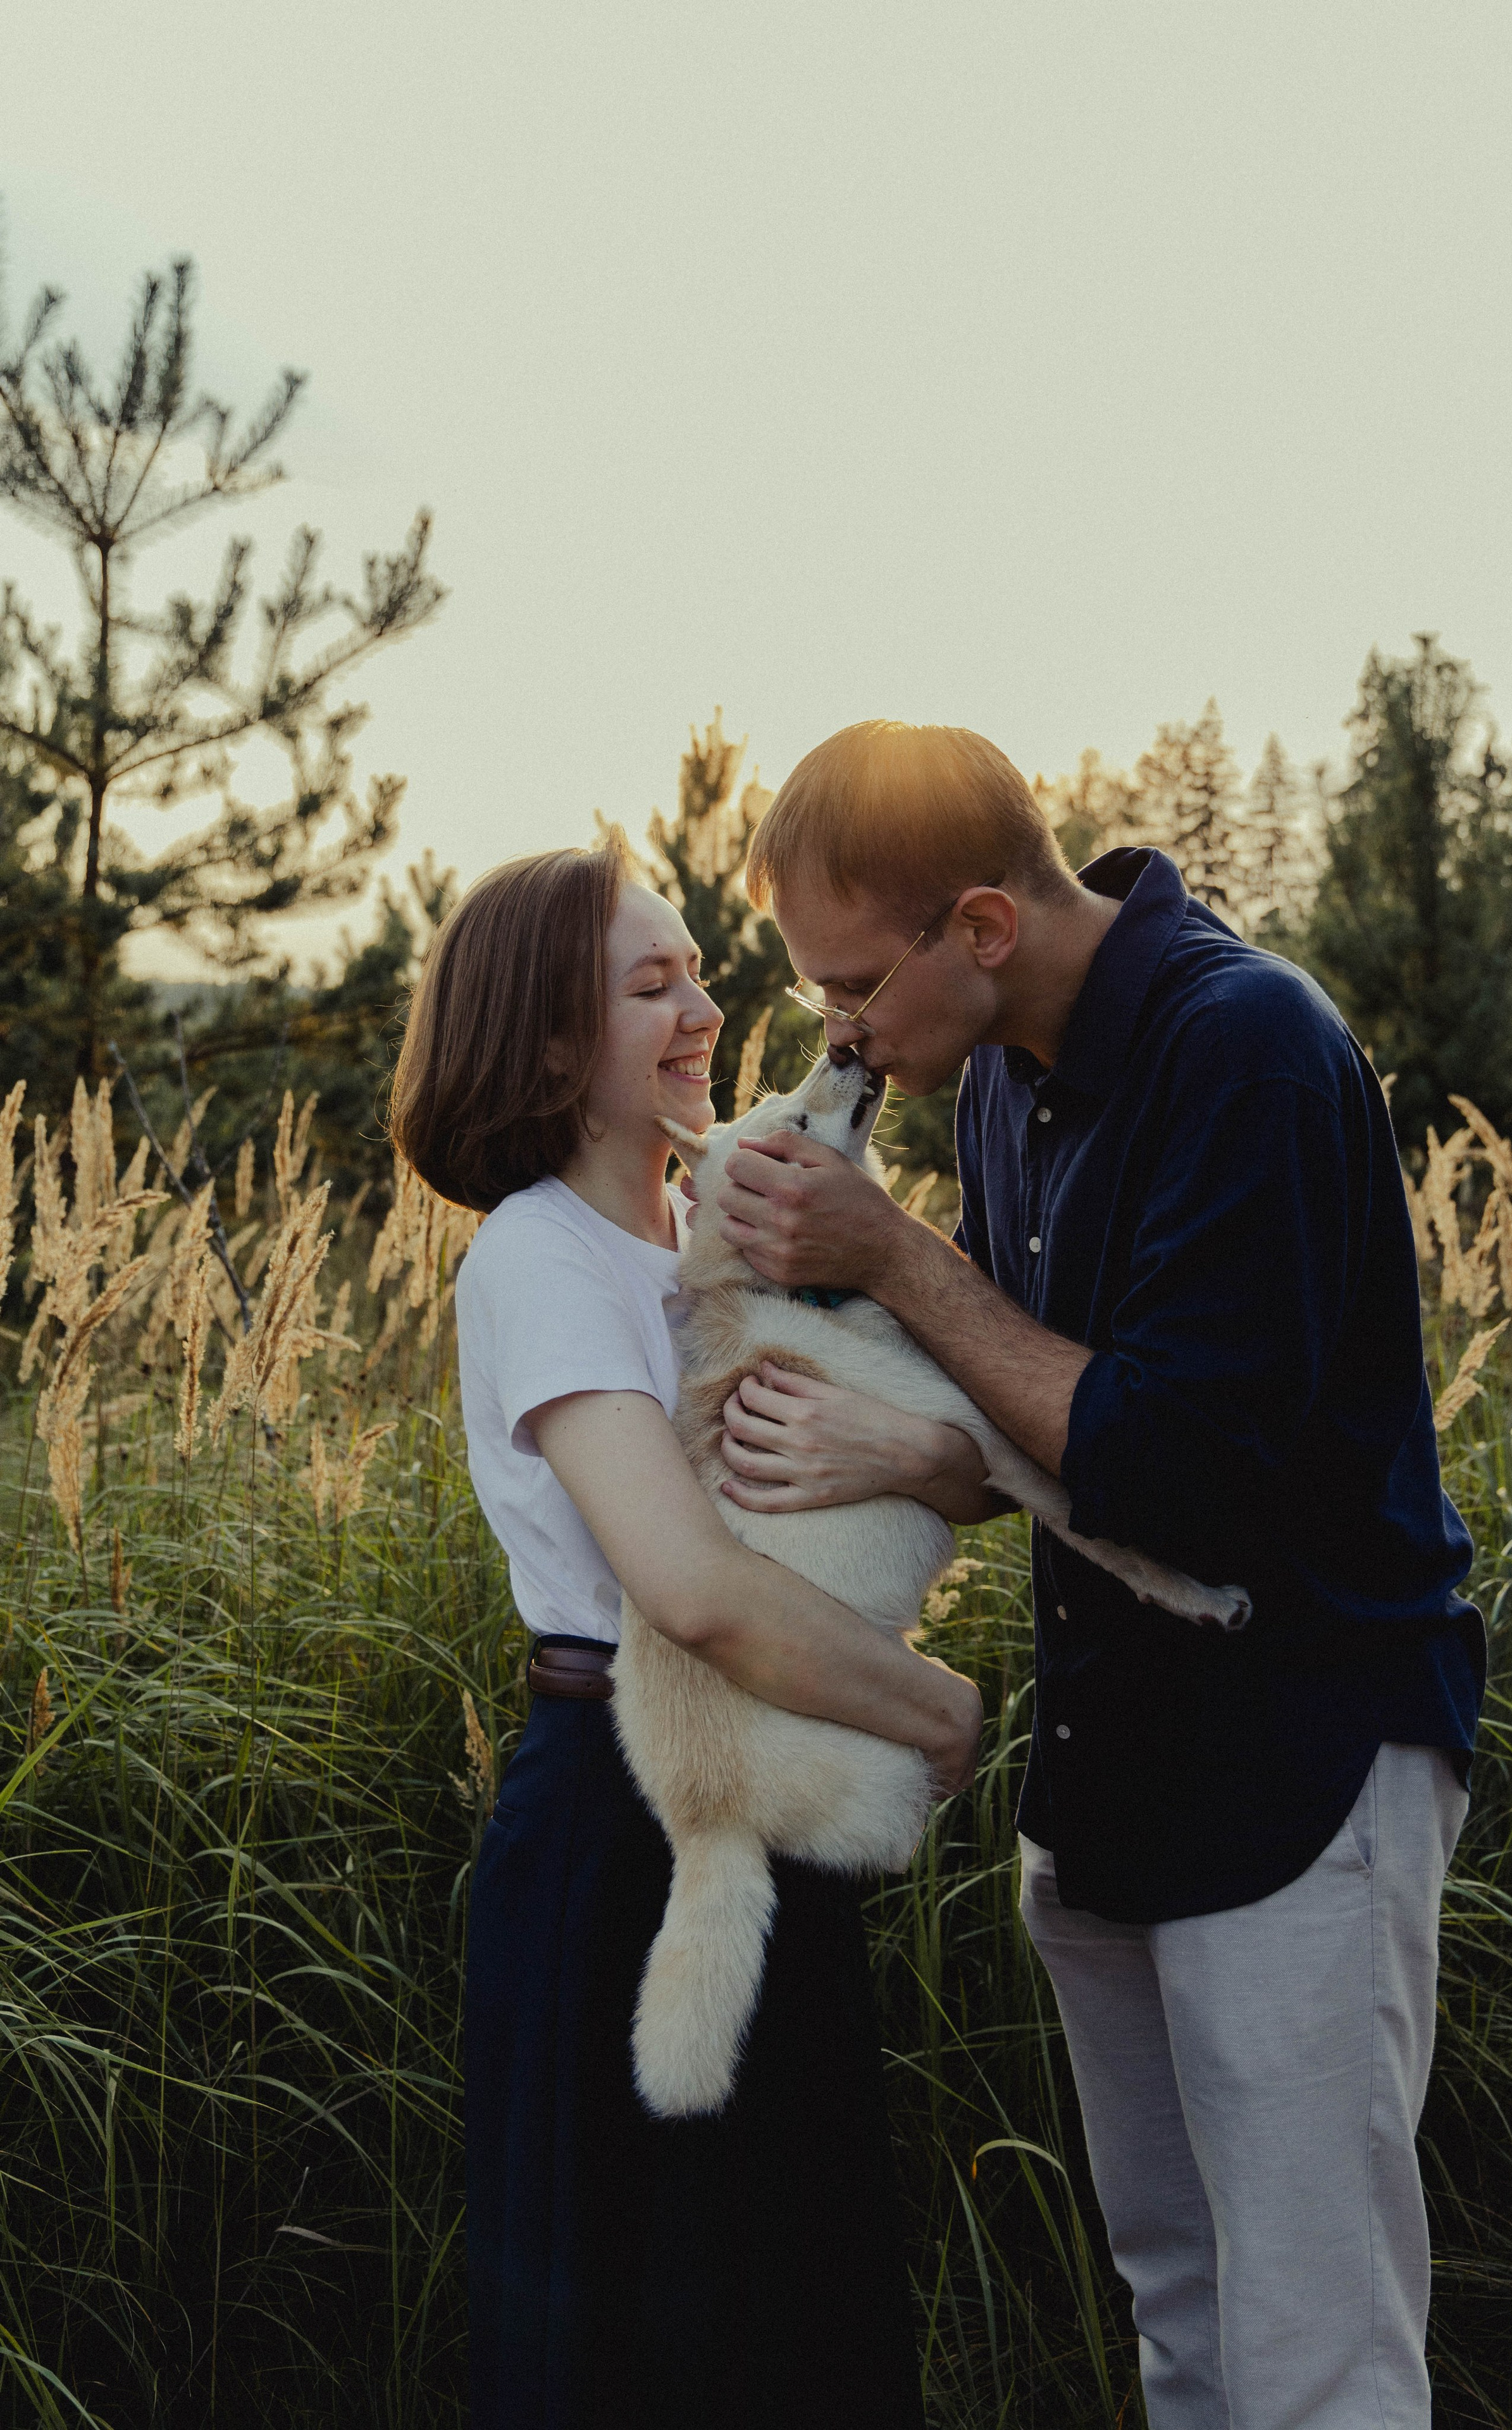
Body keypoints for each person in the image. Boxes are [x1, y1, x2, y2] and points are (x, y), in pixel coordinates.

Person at [711, 721, 1483, 2430]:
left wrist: (895, 1260)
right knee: (1182, 2305)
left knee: (1315, 2339)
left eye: (849, 984)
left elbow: (1185, 1476)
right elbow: (1041, 1413)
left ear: (980, 927)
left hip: (1300, 1771)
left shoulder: (1251, 1050)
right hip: (1115, 1779)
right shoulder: (999, 1075)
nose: (836, 1032)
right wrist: (910, 1455)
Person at [387, 835, 983, 2430]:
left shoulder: (698, 1244)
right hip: (616, 1819)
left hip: (762, 1791)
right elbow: (695, 1590)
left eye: (699, 971)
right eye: (649, 987)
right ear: (549, 1051)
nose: (704, 1009)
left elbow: (903, 1467)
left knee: (790, 2314)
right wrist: (932, 1713)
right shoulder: (542, 1258)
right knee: (645, 2340)